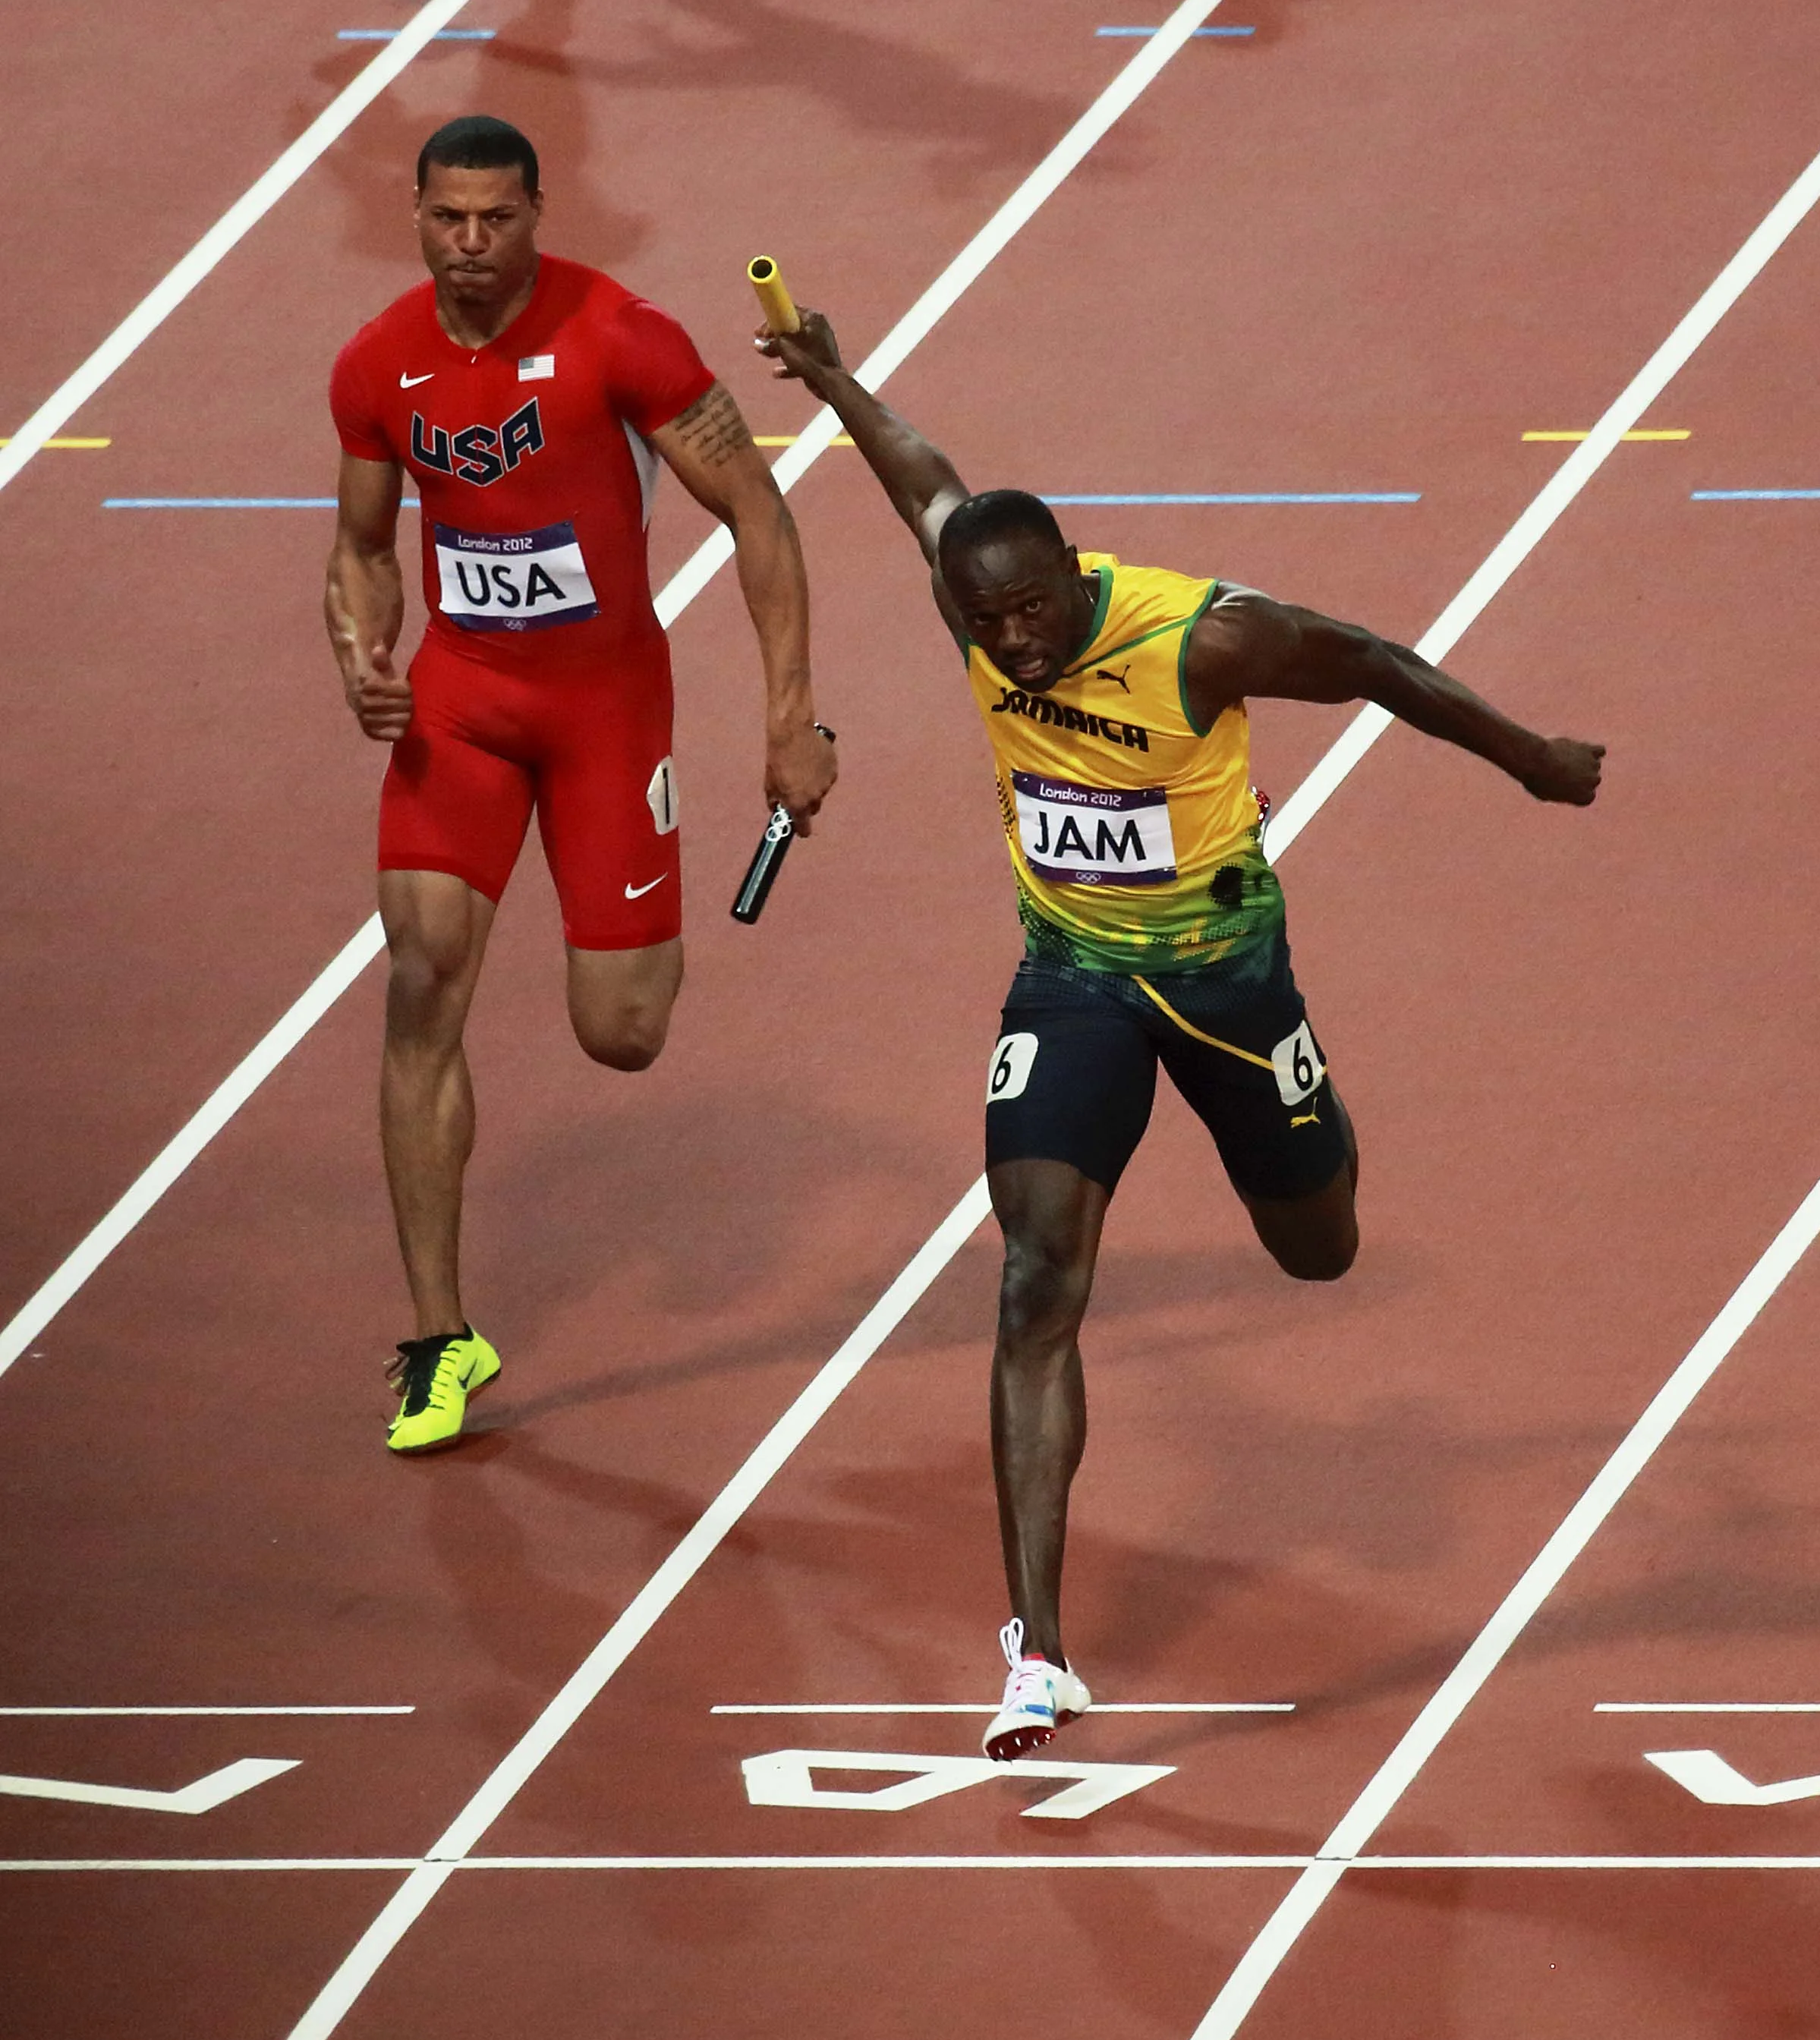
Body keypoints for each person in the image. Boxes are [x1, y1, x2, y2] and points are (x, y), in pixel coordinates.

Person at [759, 308, 1603, 1759]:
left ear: (1071, 578)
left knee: (1318, 1247)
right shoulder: (971, 586)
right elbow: (920, 477)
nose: (1008, 645)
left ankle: (1311, 1119)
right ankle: (1039, 1655)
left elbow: (1376, 663)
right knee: (1033, 1279)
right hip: (1072, 976)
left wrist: (1528, 758)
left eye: (1027, 614)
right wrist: (836, 378)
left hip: (1228, 986)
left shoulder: (1202, 636)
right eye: (980, 623)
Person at [327, 115, 836, 1453]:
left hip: (607, 709)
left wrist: (792, 719)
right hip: (464, 700)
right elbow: (362, 548)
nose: (474, 244)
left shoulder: (623, 335)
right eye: (450, 219)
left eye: (499, 219)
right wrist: (359, 656)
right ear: (418, 214)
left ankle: (625, 934)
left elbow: (761, 516)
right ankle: (441, 1337)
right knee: (423, 971)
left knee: (622, 1032)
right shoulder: (380, 364)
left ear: (539, 213)